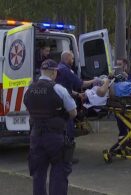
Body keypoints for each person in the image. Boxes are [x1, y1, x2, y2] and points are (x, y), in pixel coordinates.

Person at [24, 59, 77, 195]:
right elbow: (73, 112)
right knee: (59, 173)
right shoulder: (58, 89)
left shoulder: (29, 89)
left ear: (41, 72)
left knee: (38, 175)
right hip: (55, 138)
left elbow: (29, 110)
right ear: (54, 72)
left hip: (35, 137)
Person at [56, 51, 97, 163]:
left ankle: (60, 156)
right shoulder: (65, 70)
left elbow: (66, 88)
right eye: (72, 58)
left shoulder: (58, 68)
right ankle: (67, 158)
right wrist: (95, 80)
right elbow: (81, 84)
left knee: (61, 130)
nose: (73, 61)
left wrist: (78, 94)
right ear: (67, 58)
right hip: (65, 104)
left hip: (58, 103)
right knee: (69, 130)